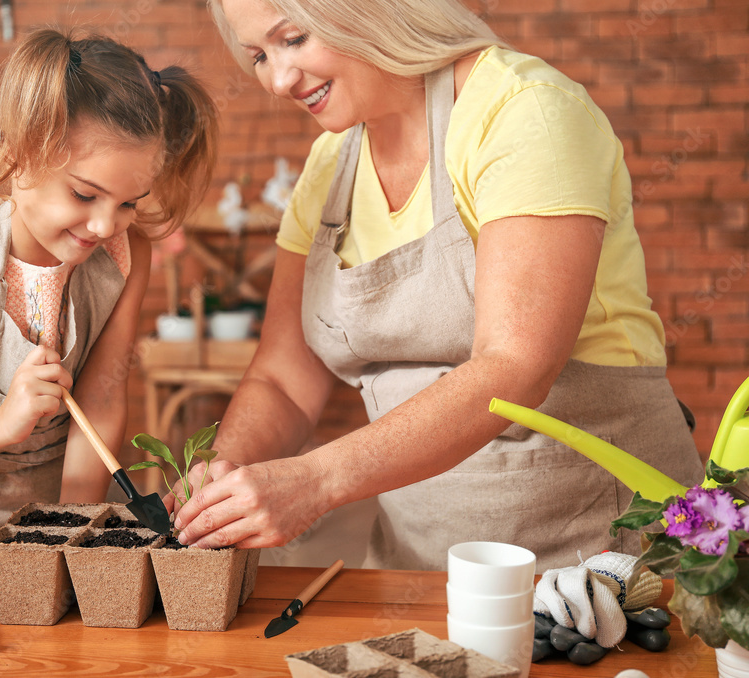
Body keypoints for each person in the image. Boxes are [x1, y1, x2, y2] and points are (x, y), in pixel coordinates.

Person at [167, 0, 705, 571]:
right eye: (258, 56)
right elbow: (282, 377)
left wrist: (316, 479)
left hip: (596, 550)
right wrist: (217, 475)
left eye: (294, 38)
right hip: (418, 561)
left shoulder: (524, 112)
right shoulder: (329, 166)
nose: (277, 81)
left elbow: (514, 366)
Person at [0, 27, 217, 556]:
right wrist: (2, 425)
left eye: (129, 202)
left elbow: (101, 401)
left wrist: (72, 535)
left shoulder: (125, 257)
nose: (107, 226)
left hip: (44, 538)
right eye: (85, 193)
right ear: (18, 153)